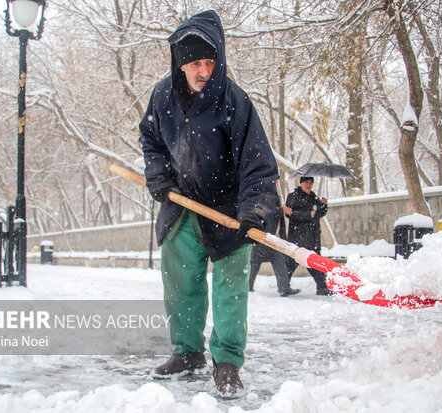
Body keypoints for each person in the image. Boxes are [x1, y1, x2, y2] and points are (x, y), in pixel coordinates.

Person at [138, 10, 279, 398]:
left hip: (229, 211)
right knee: (181, 282)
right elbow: (149, 138)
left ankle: (228, 361)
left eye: (209, 61)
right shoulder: (162, 96)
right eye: (195, 62)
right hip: (181, 207)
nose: (203, 70)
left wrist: (253, 211)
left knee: (230, 287)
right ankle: (187, 352)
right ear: (180, 63)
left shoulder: (233, 100)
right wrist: (159, 176)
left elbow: (258, 162)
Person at [283, 176, 332, 295]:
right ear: (301, 183)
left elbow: (318, 213)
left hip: (313, 237)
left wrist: (324, 205)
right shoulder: (293, 196)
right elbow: (290, 214)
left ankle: (321, 287)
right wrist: (306, 214)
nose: (308, 184)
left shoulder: (314, 196)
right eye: (306, 182)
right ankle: (284, 286)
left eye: (311, 182)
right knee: (292, 263)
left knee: (315, 262)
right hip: (298, 237)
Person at [248, 202, 300, 297]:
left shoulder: (275, 196)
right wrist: (281, 210)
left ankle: (284, 288)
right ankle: (248, 286)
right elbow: (264, 211)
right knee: (254, 264)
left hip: (275, 240)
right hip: (263, 238)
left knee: (280, 263)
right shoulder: (262, 194)